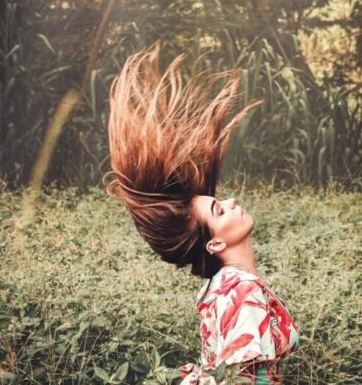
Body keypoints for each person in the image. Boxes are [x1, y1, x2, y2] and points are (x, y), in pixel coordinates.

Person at [106, 45, 299, 384]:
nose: (232, 200)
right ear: (214, 244)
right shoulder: (240, 291)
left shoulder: (222, 286)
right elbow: (244, 379)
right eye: (219, 209)